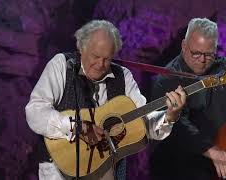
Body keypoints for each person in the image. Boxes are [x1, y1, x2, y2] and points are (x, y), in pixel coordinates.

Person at [25, 20, 186, 180]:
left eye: (107, 59)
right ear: (81, 48)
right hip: (59, 172)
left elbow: (143, 122)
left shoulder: (123, 77)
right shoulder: (61, 65)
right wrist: (75, 126)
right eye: (95, 56)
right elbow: (35, 112)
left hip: (108, 172)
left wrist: (169, 116)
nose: (100, 64)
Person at [149, 18, 226, 179]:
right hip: (183, 166)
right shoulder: (167, 78)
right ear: (184, 46)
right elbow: (177, 127)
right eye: (196, 53)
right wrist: (211, 150)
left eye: (209, 55)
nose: (202, 60)